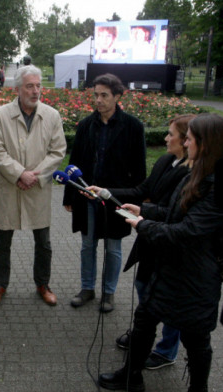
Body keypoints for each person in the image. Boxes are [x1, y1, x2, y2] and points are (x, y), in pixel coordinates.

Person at [96, 113, 223, 392]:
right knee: (144, 321)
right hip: (169, 270)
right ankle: (131, 376)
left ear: (205, 144)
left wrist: (144, 225)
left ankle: (198, 388)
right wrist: (143, 210)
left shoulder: (219, 186)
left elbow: (186, 233)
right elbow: (174, 214)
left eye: (189, 138)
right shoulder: (196, 174)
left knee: (196, 341)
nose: (184, 142)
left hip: (194, 280)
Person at [111, 114, 196, 370]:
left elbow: (171, 211)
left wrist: (144, 212)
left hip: (169, 244)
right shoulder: (166, 160)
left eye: (171, 134)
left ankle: (166, 350)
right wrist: (105, 191)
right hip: (150, 238)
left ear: (187, 140)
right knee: (143, 285)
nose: (166, 138)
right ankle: (142, 334)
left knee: (169, 298)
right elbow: (142, 191)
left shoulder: (192, 174)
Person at [62, 73, 146, 313]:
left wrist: (133, 201)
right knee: (88, 245)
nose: (98, 100)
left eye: (104, 95)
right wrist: (70, 196)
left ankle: (108, 293)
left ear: (117, 97)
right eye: (95, 95)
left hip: (116, 198)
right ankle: (87, 288)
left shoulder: (133, 126)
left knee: (113, 248)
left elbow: (139, 169)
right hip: (87, 196)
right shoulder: (87, 125)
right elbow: (74, 161)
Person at [0, 65, 67, 307]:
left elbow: (58, 151)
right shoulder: (1, 114)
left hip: (37, 188)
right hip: (10, 188)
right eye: (29, 86)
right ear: (17, 88)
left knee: (44, 242)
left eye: (38, 86)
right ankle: (0, 284)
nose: (35, 91)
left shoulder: (51, 115)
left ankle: (43, 284)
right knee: (3, 242)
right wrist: (20, 173)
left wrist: (35, 176)